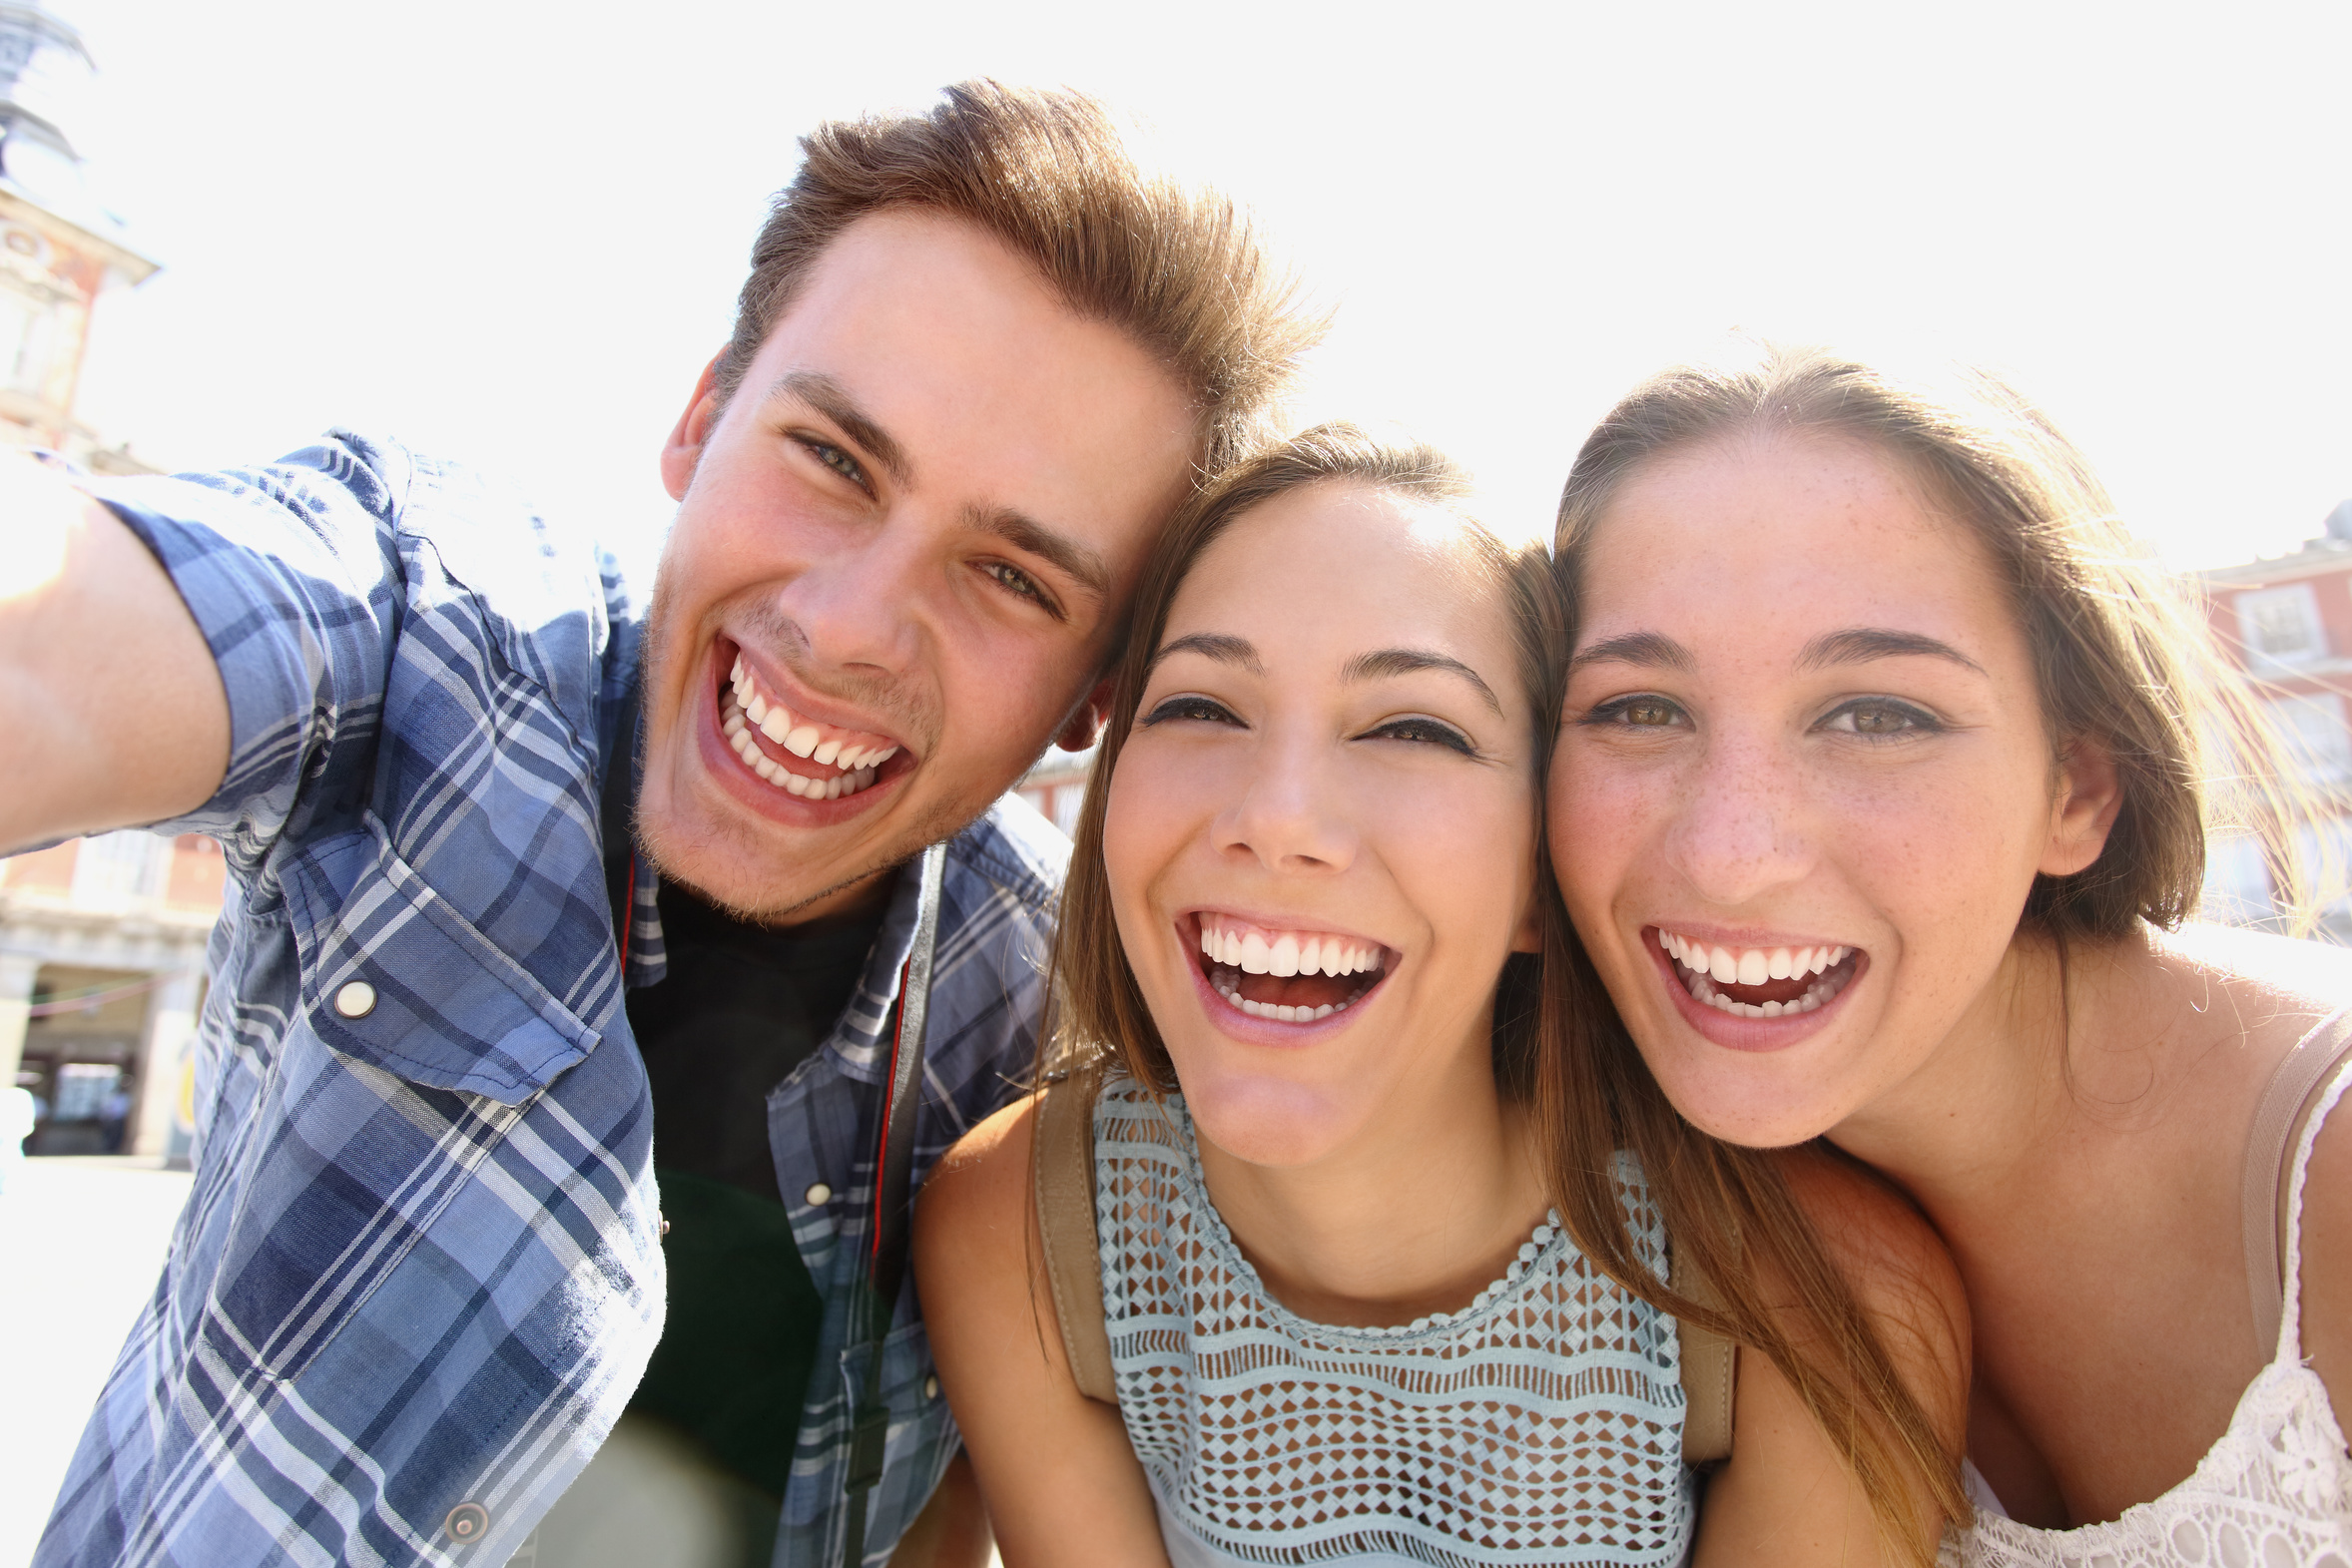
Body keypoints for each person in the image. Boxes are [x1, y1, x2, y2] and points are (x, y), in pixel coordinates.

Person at [0, 83, 1321, 1567]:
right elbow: (54, 632)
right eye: (832, 459)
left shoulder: (1039, 1009)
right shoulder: (429, 643)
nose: (847, 626)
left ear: (1095, 693)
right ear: (702, 416)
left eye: (1012, 575)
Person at [915, 424, 1970, 1567]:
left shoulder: (1812, 1300)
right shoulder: (1019, 1232)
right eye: (1202, 707)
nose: (1277, 817)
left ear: (1542, 867)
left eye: (1412, 726)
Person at [1544, 340, 2352, 1563]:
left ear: (2078, 788)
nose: (1726, 852)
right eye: (1637, 709)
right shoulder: (1638, 1208)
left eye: (1878, 714)